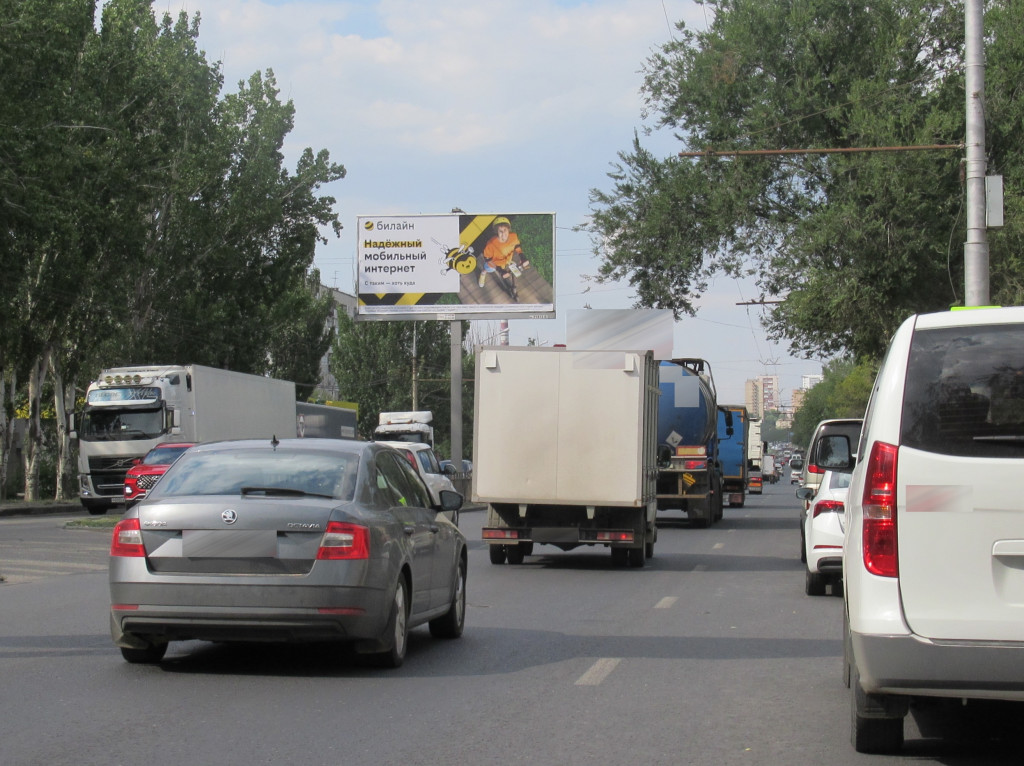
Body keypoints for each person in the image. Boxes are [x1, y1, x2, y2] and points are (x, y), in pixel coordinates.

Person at [478, 216, 530, 287]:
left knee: (511, 270)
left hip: (507, 260)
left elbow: (517, 246)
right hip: (495, 263)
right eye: (500, 231)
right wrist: (499, 270)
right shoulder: (491, 244)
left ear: (509, 229)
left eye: (505, 230)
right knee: (487, 269)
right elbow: (488, 259)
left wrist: (522, 256)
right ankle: (483, 273)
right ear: (497, 232)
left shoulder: (513, 236)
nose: (503, 233)